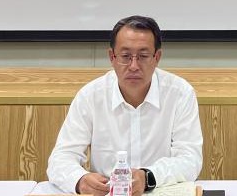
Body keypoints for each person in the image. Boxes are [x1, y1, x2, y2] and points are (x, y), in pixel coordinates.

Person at [47, 15, 203, 196]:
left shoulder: (180, 94)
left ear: (157, 57)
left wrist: (148, 177)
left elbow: (190, 159)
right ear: (112, 57)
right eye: (125, 56)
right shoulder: (90, 96)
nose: (134, 66)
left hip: (160, 191)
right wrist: (80, 180)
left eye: (143, 56)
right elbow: (61, 158)